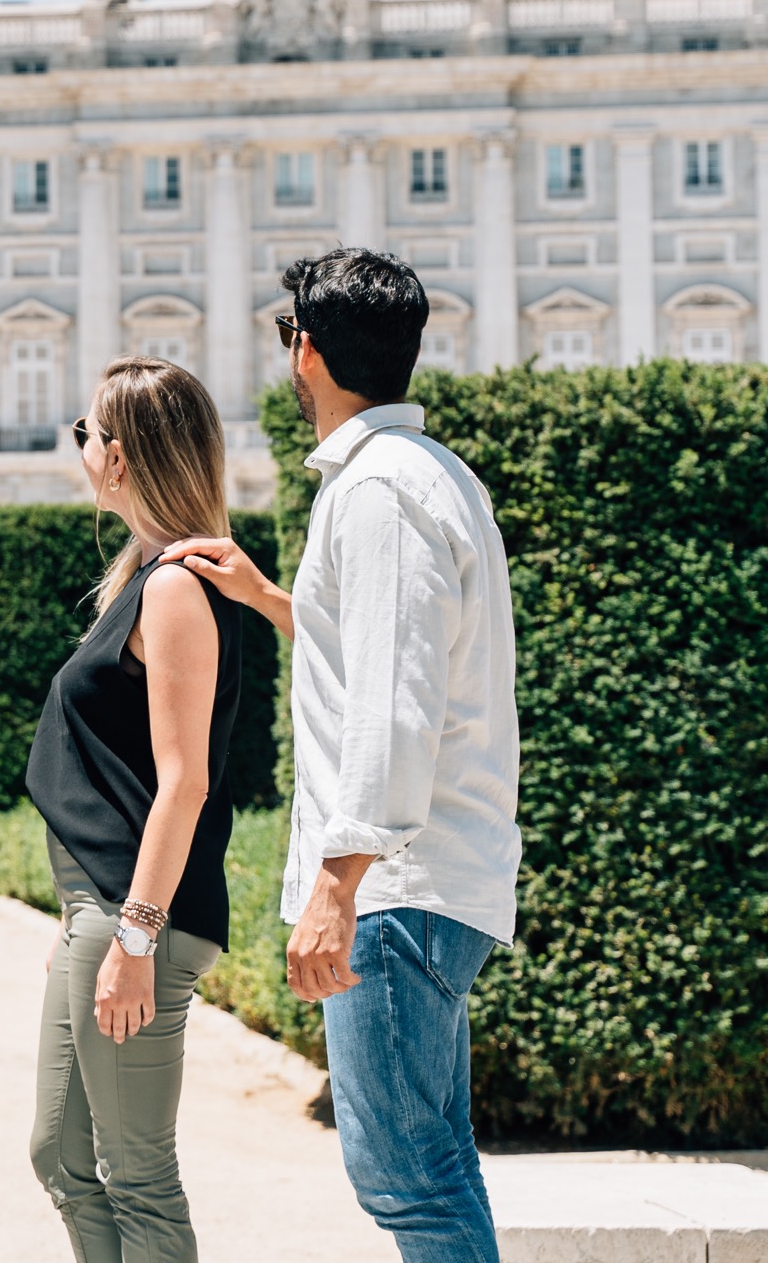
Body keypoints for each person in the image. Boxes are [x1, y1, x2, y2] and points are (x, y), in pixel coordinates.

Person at [165, 250, 521, 1263]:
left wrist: (338, 878)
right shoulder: (423, 476)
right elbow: (387, 657)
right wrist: (277, 600)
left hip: (396, 890)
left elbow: (399, 704)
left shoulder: (379, 490)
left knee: (406, 1176)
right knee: (433, 1164)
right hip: (419, 881)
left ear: (306, 350)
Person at [24, 357, 249, 1263]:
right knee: (63, 1157)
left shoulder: (175, 588)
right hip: (101, 910)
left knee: (137, 1174)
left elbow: (184, 780)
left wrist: (136, 935)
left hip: (135, 917)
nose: (77, 448)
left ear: (118, 458)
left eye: (85, 433)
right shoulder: (149, 573)